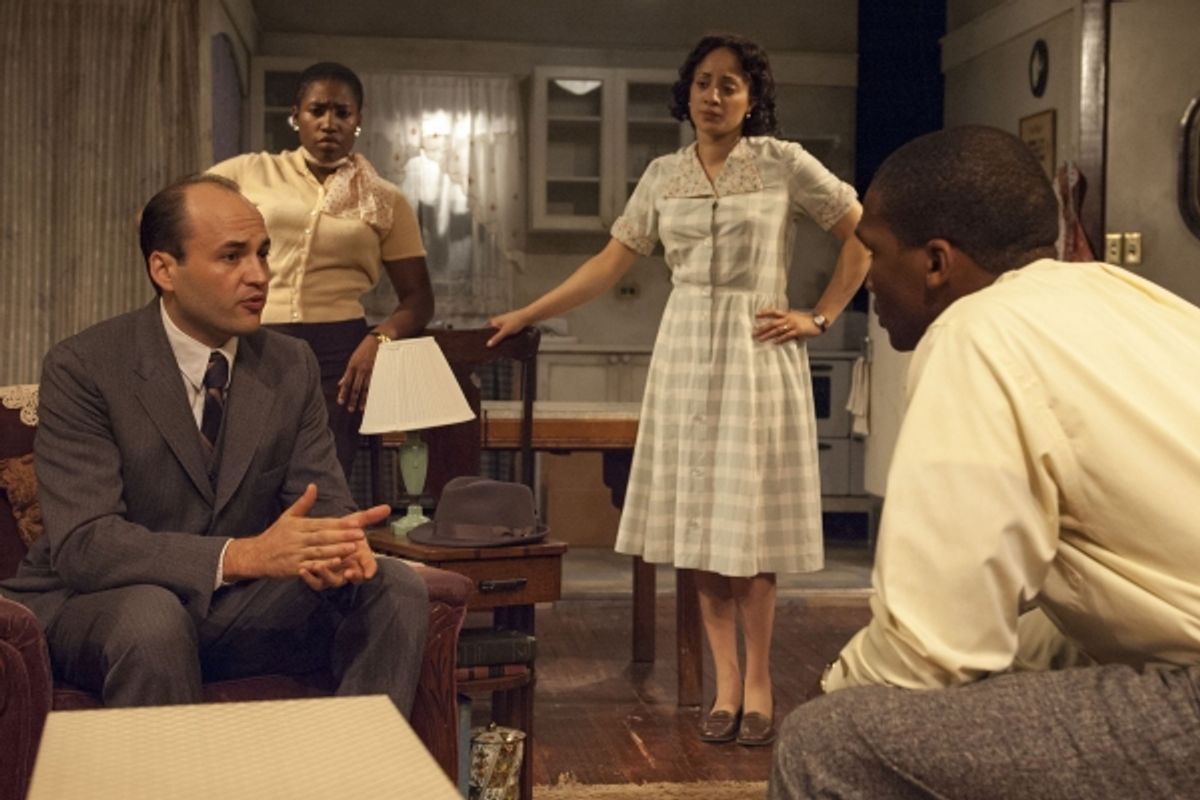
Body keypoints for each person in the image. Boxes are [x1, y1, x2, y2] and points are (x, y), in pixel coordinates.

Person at [769, 126, 1200, 798]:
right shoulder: (1125, 299)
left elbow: (932, 649)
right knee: (1035, 649)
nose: (867, 280)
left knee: (828, 744)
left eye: (875, 253)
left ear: (935, 261)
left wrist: (832, 691)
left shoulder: (975, 333)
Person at [488, 34, 870, 746]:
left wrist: (819, 315)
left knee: (749, 526)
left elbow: (864, 233)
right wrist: (528, 312)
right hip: (687, 349)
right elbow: (609, 262)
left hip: (757, 347)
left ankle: (760, 683)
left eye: (731, 84)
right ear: (687, 92)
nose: (714, 95)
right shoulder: (663, 174)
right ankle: (725, 679)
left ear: (752, 98)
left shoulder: (782, 164)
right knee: (700, 523)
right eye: (703, 82)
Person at [0, 174, 430, 714]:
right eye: (232, 257)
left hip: (232, 607)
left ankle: (357, 783)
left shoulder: (289, 365)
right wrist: (243, 555)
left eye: (263, 254)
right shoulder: (85, 366)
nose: (259, 275)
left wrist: (333, 549)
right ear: (164, 270)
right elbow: (87, 545)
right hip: (100, 603)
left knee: (393, 587)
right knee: (153, 618)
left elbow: (321, 504)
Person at [208, 61, 434, 480]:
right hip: (253, 342)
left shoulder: (385, 198)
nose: (330, 123)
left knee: (322, 477)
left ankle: (321, 547)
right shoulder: (248, 172)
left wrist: (377, 340)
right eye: (317, 110)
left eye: (342, 112)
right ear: (296, 115)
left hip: (341, 355)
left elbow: (419, 301)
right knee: (244, 475)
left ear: (358, 121)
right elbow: (167, 220)